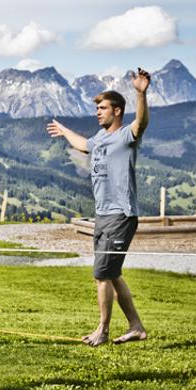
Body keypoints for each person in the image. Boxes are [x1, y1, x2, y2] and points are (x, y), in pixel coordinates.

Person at [46, 69, 150, 347]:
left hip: (121, 215)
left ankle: (102, 331)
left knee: (102, 274)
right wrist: (64, 130)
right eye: (97, 108)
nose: (98, 112)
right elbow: (83, 145)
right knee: (112, 273)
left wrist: (141, 93)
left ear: (117, 111)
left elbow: (142, 122)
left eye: (102, 108)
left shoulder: (127, 135)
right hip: (103, 215)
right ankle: (136, 327)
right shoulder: (100, 139)